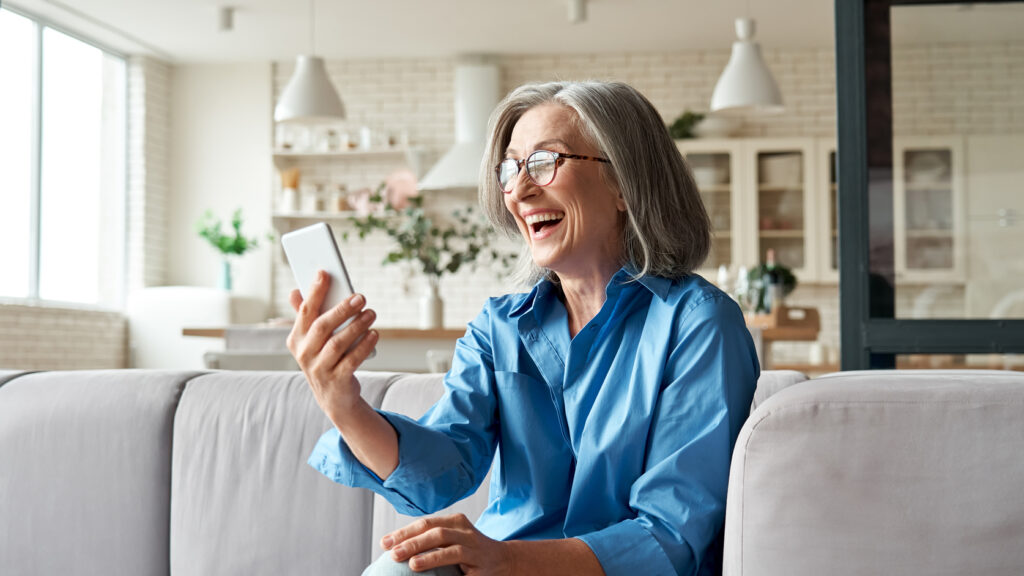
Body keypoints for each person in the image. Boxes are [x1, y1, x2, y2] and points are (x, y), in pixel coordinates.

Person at [286, 80, 759, 576]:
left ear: (624, 182)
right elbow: (439, 475)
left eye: (543, 162)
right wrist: (343, 403)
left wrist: (506, 558)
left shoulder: (698, 323)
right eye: (510, 168)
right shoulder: (499, 327)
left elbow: (671, 537)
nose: (518, 189)